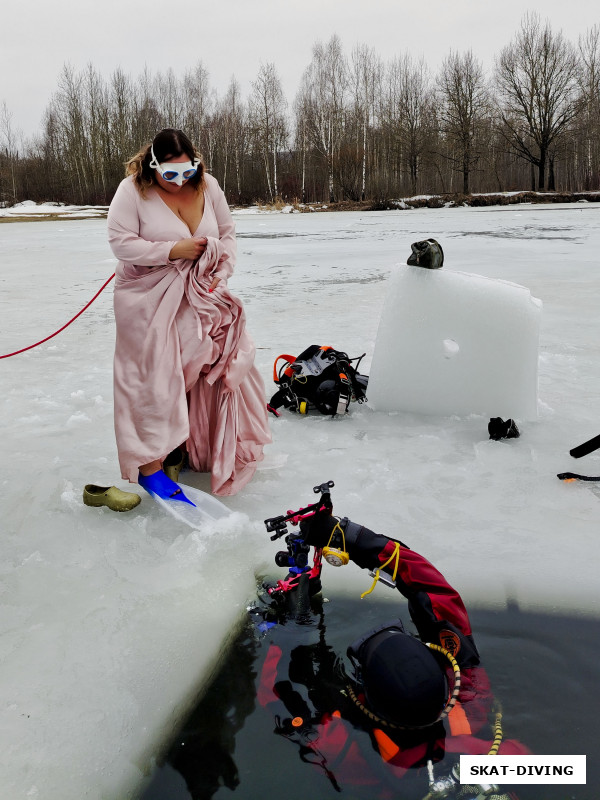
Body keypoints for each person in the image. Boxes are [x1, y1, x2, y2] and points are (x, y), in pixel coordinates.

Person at [256, 506, 528, 798]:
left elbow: (275, 691)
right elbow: (435, 593)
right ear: (442, 680)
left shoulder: (343, 747)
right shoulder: (470, 702)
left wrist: (291, 628)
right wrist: (354, 540)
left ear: (366, 695)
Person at [106, 128, 270, 498]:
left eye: (186, 171)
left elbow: (226, 233)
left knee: (215, 363)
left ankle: (192, 445)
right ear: (152, 166)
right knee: (153, 376)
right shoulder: (132, 191)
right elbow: (120, 241)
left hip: (203, 290)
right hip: (147, 297)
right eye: (169, 174)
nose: (180, 181)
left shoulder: (208, 185)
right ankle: (150, 464)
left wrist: (221, 273)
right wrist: (172, 250)